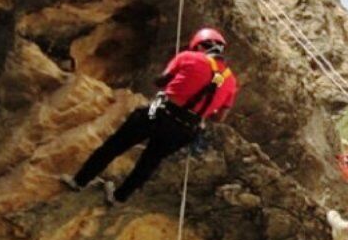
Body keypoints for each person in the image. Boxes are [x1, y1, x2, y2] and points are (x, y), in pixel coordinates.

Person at [60, 28, 238, 204]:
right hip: (185, 129)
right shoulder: (230, 80)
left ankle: (79, 181)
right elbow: (219, 117)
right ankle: (119, 197)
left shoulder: (188, 57)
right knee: (149, 162)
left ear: (199, 46)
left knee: (115, 145)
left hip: (161, 113)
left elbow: (160, 81)